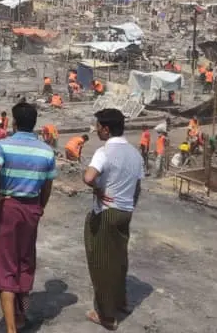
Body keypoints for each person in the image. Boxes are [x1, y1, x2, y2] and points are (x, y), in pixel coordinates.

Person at [0, 102, 56, 333]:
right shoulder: (46, 151)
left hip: (9, 209)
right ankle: (21, 316)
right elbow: (47, 186)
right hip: (32, 208)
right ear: (34, 124)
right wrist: (39, 207)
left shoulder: (2, 146)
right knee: (25, 259)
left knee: (5, 265)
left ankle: (11, 328)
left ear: (14, 122)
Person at [82, 108, 143, 331]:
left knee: (101, 262)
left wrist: (98, 189)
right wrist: (129, 205)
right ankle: (121, 301)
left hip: (106, 211)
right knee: (119, 259)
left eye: (98, 126)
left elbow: (89, 177)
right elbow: (137, 187)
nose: (96, 130)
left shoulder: (104, 151)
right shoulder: (135, 154)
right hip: (125, 212)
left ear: (106, 129)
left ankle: (106, 315)